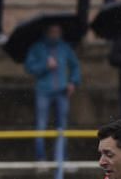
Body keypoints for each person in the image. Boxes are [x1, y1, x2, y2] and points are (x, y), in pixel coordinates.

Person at [25, 23, 81, 162]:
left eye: (57, 31)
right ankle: (40, 157)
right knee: (41, 125)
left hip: (62, 91)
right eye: (52, 31)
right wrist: (45, 65)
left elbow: (75, 66)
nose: (55, 34)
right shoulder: (37, 47)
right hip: (43, 91)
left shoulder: (65, 47)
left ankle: (61, 157)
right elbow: (29, 67)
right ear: (47, 32)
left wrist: (73, 82)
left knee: (62, 126)